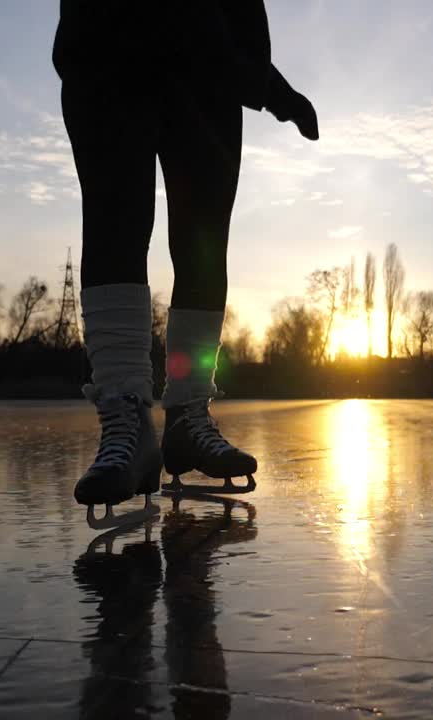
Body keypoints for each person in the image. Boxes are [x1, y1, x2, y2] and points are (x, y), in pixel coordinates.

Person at [52, 0, 318, 515]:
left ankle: (187, 416)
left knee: (203, 246)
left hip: (211, 72)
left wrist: (267, 84)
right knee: (114, 227)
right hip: (107, 48)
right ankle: (126, 418)